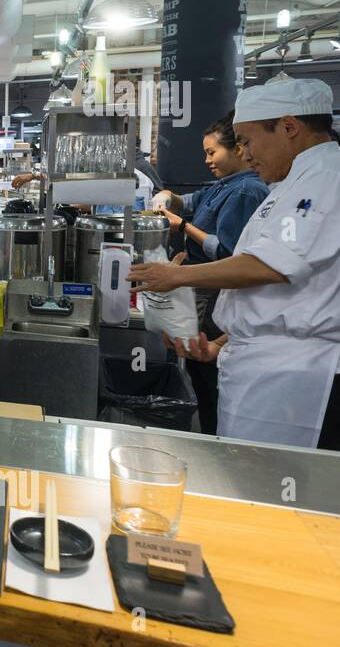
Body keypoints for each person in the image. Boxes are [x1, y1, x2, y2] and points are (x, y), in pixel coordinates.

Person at [130, 77, 340, 449]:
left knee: (278, 488)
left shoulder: (326, 176)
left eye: (248, 140)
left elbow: (268, 266)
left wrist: (177, 276)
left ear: (290, 127)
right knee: (248, 479)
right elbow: (280, 295)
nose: (244, 154)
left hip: (295, 379)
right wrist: (220, 345)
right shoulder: (293, 182)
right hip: (263, 368)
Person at [150, 115, 269, 434]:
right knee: (199, 377)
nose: (207, 161)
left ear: (238, 149)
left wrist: (184, 227)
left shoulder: (246, 192)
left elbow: (230, 255)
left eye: (212, 152)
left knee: (210, 380)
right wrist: (166, 197)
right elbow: (189, 200)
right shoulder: (225, 185)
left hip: (213, 294)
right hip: (199, 291)